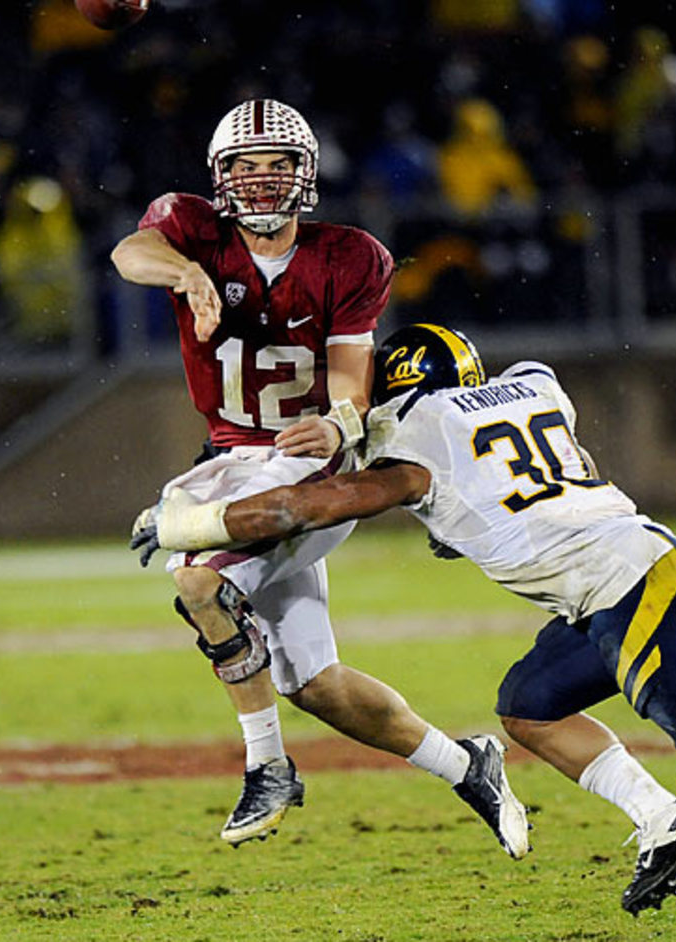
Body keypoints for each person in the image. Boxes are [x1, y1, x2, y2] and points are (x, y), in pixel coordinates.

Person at [132, 323, 676, 931]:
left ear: (402, 389)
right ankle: (662, 821)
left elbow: (295, 507)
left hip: (624, 583)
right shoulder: (534, 386)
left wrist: (186, 526)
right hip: (622, 570)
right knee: (529, 703)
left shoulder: (419, 438)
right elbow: (508, 453)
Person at [111, 101, 528, 857]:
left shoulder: (351, 256)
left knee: (200, 581)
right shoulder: (191, 230)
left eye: (279, 164)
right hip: (232, 454)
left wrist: (340, 424)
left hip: (310, 463)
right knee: (315, 684)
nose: (263, 180)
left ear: (307, 173)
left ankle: (267, 765)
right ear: (220, 178)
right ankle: (469, 765)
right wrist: (188, 274)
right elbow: (128, 253)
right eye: (247, 166)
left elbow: (348, 375)